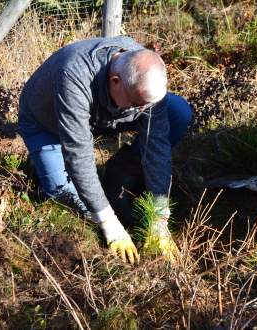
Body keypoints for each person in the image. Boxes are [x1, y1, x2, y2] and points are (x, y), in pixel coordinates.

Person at [18, 36, 192, 264]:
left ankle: (121, 171)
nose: (143, 110)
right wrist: (109, 223)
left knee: (177, 112)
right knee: (69, 203)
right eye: (137, 105)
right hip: (48, 125)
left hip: (105, 117)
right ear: (115, 80)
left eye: (145, 106)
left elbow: (156, 146)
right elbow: (79, 155)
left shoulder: (142, 72)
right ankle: (44, 169)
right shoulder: (75, 74)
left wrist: (159, 218)